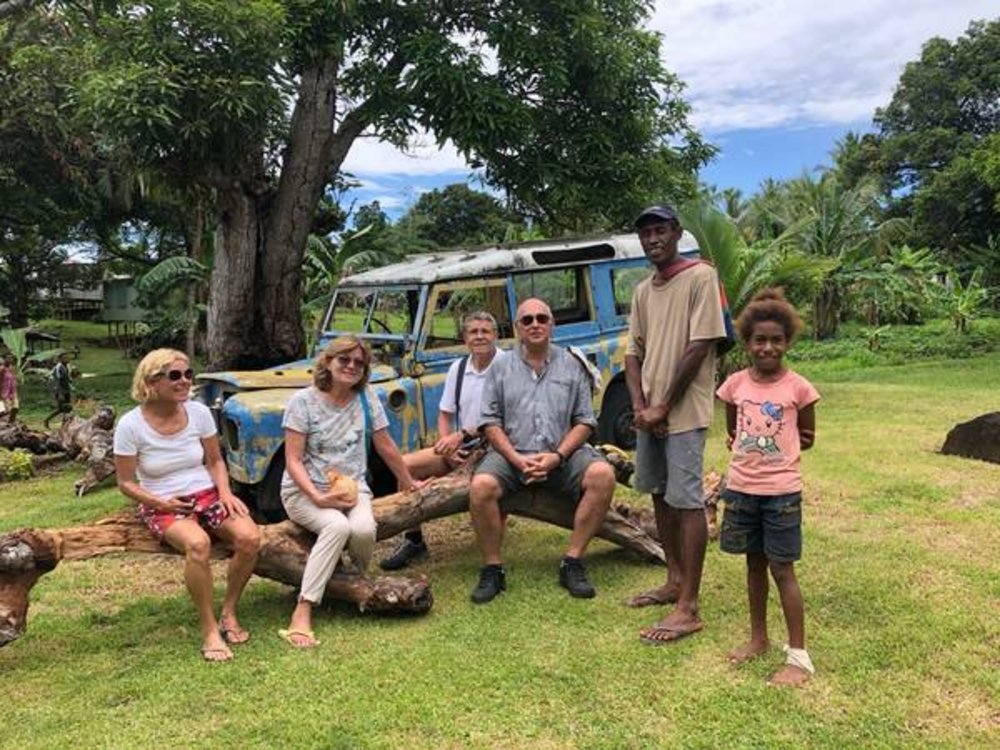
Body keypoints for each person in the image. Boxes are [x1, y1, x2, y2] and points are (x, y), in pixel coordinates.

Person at [113, 349, 261, 663]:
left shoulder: (198, 412)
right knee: (197, 543)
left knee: (249, 538)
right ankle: (208, 629)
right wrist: (159, 502)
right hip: (162, 502)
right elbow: (125, 483)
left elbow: (215, 460)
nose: (184, 381)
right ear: (150, 382)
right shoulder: (130, 425)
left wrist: (225, 492)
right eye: (174, 375)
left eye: (188, 374)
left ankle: (229, 611)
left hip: (206, 494)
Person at [468, 298, 617, 603]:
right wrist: (515, 459)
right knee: (481, 485)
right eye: (527, 320)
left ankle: (572, 561)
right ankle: (493, 568)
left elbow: (585, 421)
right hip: (512, 454)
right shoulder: (500, 368)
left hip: (562, 454)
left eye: (541, 318)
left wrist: (558, 457)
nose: (535, 324)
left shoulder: (572, 365)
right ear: (517, 329)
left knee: (603, 475)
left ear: (552, 324)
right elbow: (489, 421)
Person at [625, 204, 727, 645]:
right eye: (646, 233)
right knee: (661, 496)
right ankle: (672, 579)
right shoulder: (643, 290)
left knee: (687, 503)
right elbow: (633, 353)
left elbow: (701, 345)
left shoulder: (701, 276)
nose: (653, 239)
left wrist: (664, 406)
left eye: (660, 230)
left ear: (677, 233)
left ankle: (689, 605)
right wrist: (642, 408)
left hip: (684, 414)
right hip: (652, 416)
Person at [279, 335, 420, 648]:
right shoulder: (302, 402)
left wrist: (408, 480)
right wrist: (318, 498)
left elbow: (385, 444)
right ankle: (303, 611)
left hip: (353, 489)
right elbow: (292, 460)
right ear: (328, 361)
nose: (352, 366)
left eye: (359, 362)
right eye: (344, 359)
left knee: (363, 529)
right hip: (304, 491)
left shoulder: (367, 397)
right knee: (337, 526)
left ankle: (351, 581)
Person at [716, 289, 820, 687]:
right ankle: (758, 637)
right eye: (760, 339)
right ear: (747, 342)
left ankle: (799, 656)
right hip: (742, 489)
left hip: (781, 494)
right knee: (753, 562)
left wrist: (780, 449)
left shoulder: (799, 388)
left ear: (787, 340)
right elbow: (733, 430)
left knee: (782, 567)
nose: (768, 347)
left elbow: (807, 435)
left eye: (776, 339)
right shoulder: (734, 385)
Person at [380, 311, 506, 570]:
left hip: (497, 449)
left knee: (488, 506)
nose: (480, 336)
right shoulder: (458, 368)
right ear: (465, 338)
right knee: (404, 465)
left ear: (496, 335)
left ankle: (495, 532)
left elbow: (509, 418)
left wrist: (462, 436)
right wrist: (447, 445)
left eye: (486, 331)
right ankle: (414, 539)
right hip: (464, 447)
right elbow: (445, 414)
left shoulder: (509, 367)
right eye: (474, 331)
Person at [43, 351, 73, 428]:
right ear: (61, 359)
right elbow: (57, 381)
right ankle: (47, 420)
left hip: (66, 390)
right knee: (64, 408)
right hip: (60, 390)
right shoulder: (58, 367)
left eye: (68, 357)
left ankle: (64, 424)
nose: (67, 359)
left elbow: (67, 379)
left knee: (66, 409)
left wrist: (70, 386)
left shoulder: (66, 366)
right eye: (65, 358)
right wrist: (60, 393)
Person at [0, 354, 18, 424]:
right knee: (8, 409)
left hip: (12, 393)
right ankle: (8, 424)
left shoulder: (12, 371)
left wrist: (15, 394)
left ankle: (11, 423)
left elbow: (13, 383)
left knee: (15, 408)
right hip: (4, 393)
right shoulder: (2, 369)